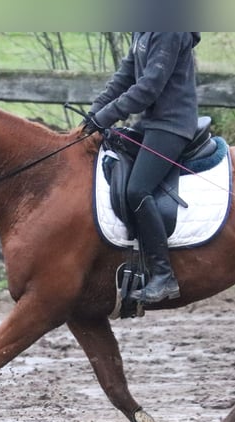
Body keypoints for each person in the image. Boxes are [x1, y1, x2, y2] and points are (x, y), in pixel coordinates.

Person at [82, 32, 201, 304]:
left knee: (137, 189)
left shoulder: (170, 30)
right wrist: (92, 115)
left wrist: (105, 117)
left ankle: (163, 275)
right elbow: (124, 78)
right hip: (148, 125)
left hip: (172, 125)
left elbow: (148, 87)